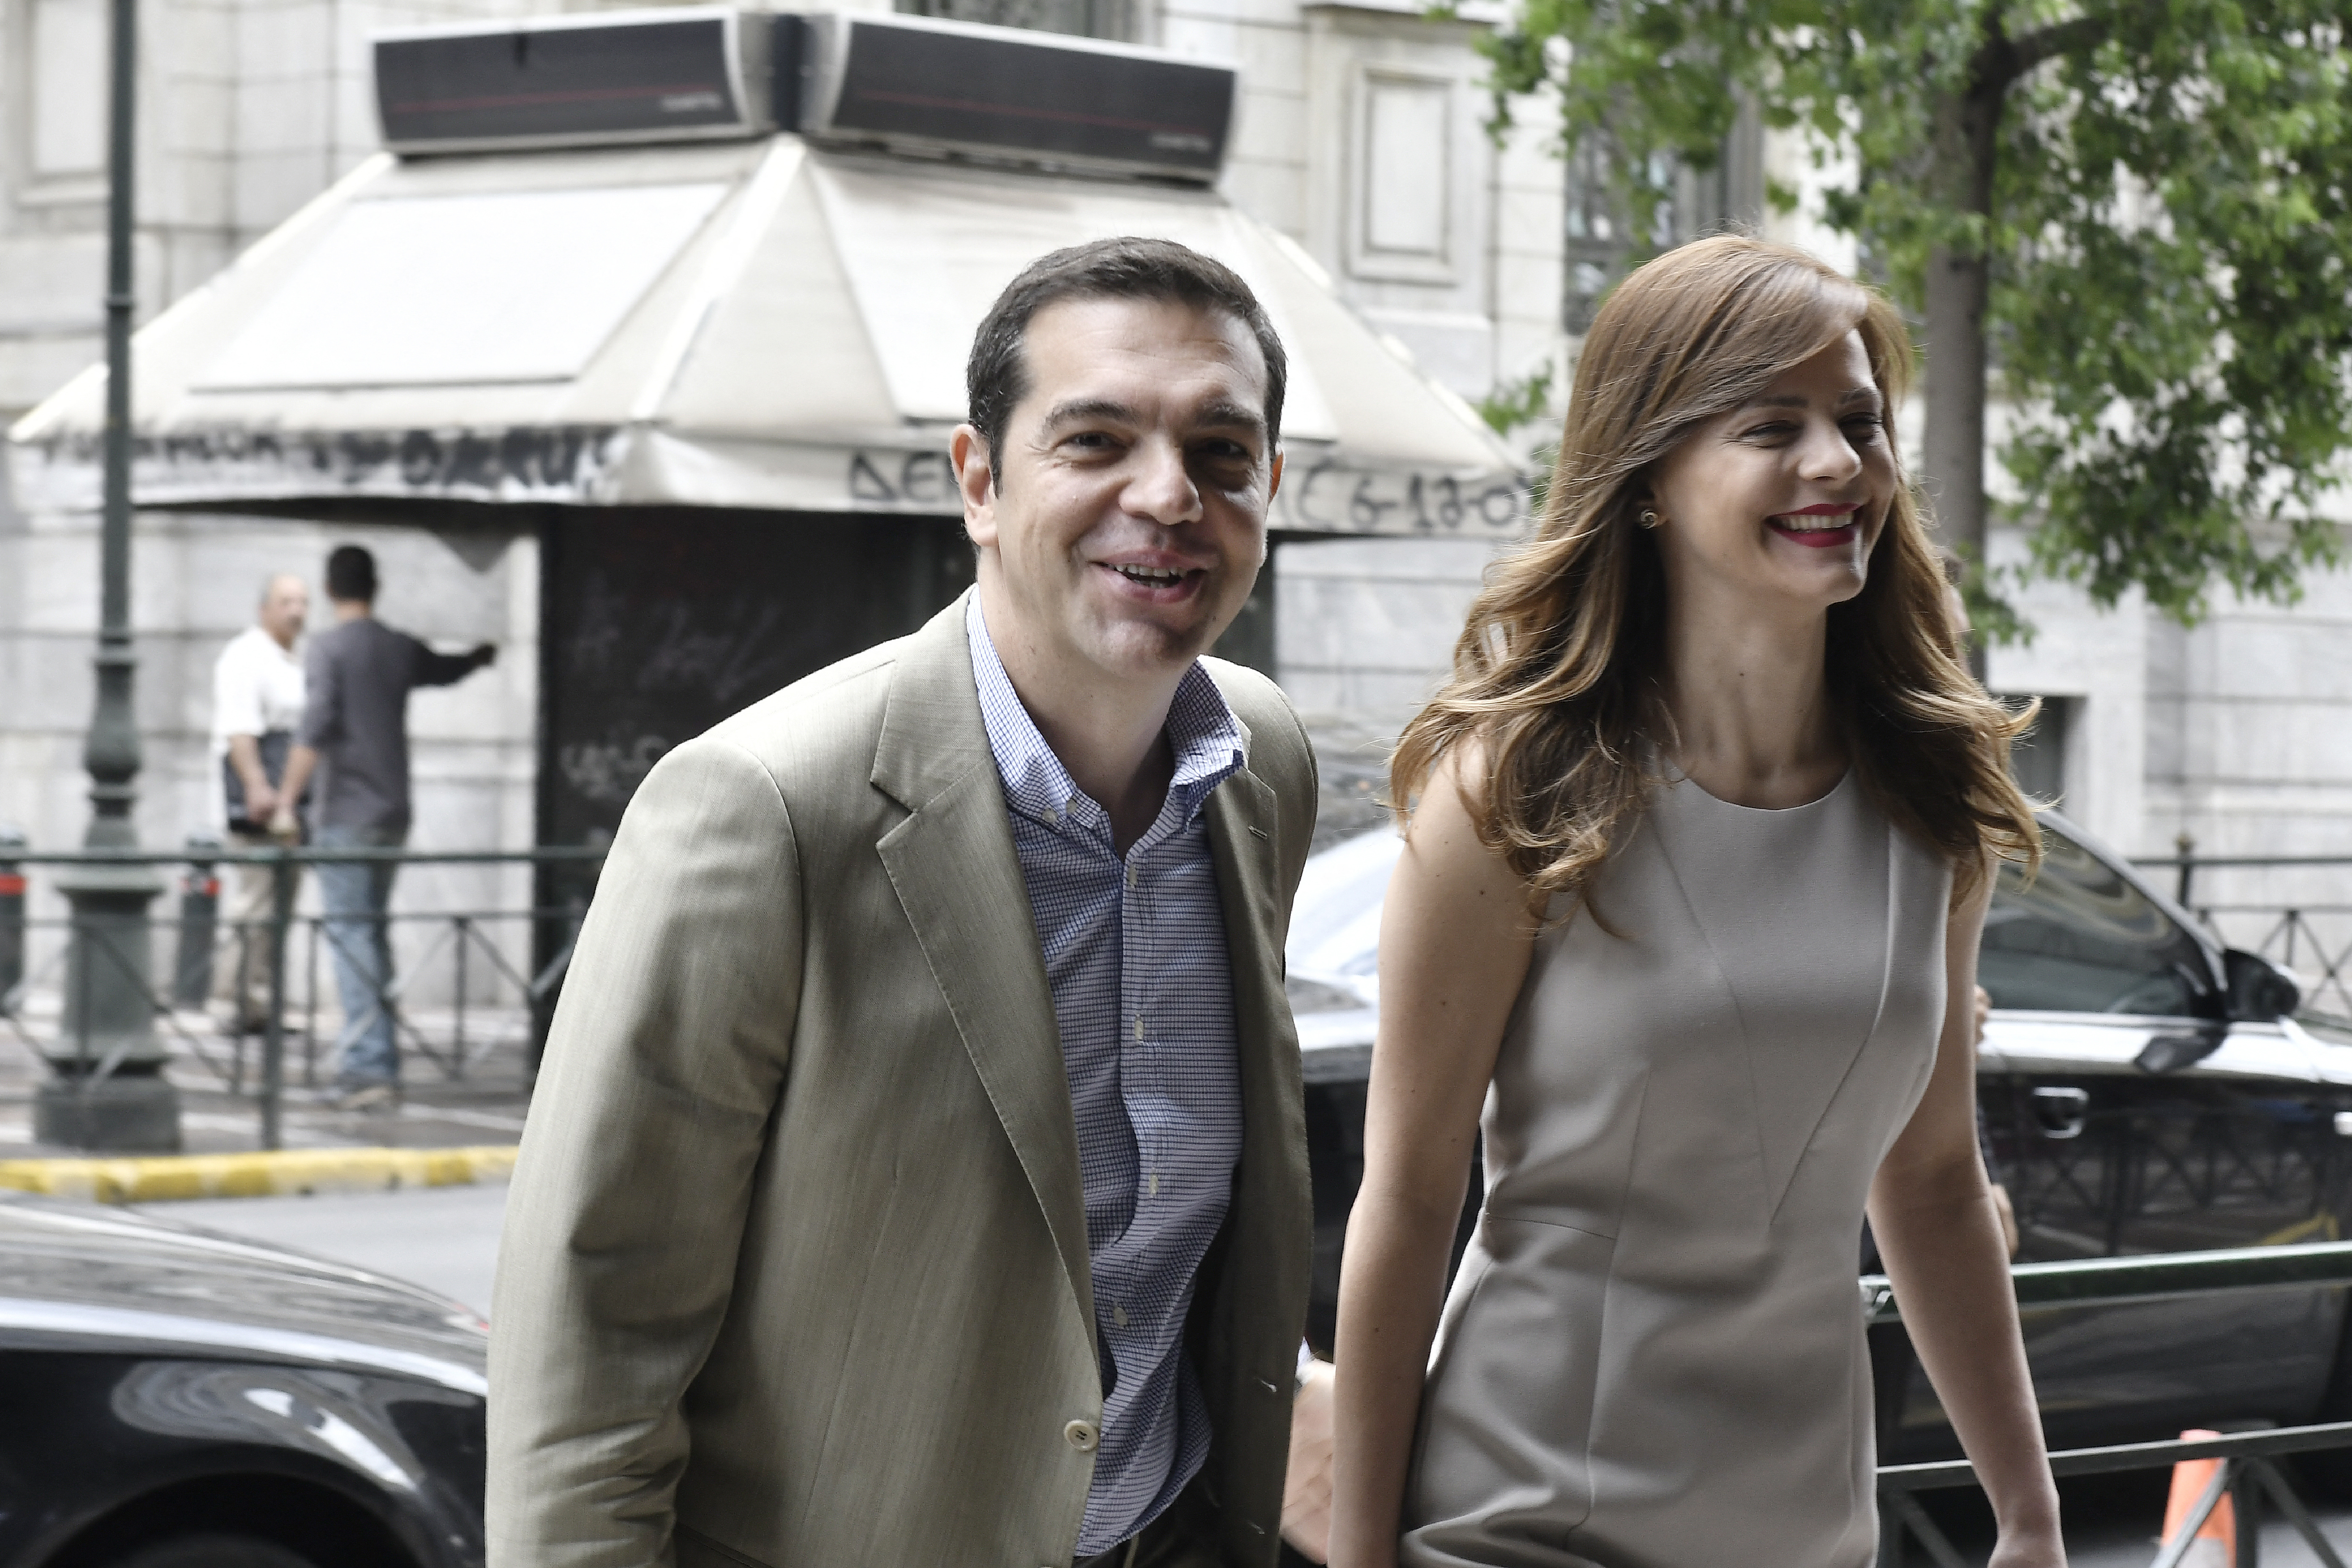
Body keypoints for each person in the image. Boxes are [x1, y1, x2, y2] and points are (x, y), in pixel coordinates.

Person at [488, 237, 1328, 1567]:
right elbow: (592, 1332)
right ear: (981, 483)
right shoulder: (763, 805)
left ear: (1268, 489)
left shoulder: (1260, 768)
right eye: (1096, 440)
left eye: (1221, 454)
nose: (1166, 496)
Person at [1327, 237, 2064, 1568]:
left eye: (1856, 420)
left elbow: (1935, 1177)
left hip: (1807, 1525)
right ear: (1651, 479)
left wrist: (2026, 1513)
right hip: (1527, 1513)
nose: (1838, 464)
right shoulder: (1512, 790)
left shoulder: (1932, 798)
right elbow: (1409, 1188)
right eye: (1769, 427)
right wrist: (1364, 1552)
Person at [272, 544, 495, 1111]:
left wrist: (285, 801)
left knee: (351, 936)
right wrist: (479, 655)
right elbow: (441, 669)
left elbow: (315, 727)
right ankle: (380, 1058)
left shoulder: (328, 649)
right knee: (370, 934)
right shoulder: (395, 647)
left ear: (329, 589)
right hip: (393, 813)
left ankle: (367, 1066)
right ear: (376, 587)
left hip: (346, 814)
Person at [209, 572, 310, 1035]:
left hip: (286, 798)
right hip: (260, 798)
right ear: (264, 607)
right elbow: (239, 727)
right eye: (286, 601)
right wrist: (256, 785)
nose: (296, 610)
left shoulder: (290, 659)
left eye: (302, 602)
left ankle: (260, 1003)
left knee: (278, 906)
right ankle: (232, 1002)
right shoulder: (247, 655)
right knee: (253, 902)